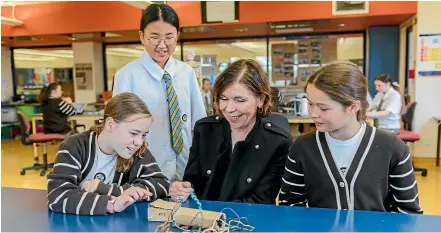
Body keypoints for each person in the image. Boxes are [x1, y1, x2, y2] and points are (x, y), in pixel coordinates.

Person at [279, 61, 422, 214]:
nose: (313, 113)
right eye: (310, 104)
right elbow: (290, 206)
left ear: (353, 107)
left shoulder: (393, 148)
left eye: (323, 107)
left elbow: (408, 213)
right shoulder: (302, 148)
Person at [169, 59, 293, 204]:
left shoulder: (278, 142)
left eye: (239, 100)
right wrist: (182, 189)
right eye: (224, 98)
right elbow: (192, 181)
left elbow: (260, 200)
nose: (229, 108)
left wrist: (217, 218)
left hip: (247, 222)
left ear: (261, 100)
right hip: (201, 219)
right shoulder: (204, 129)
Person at [112, 3, 206, 182]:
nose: (162, 45)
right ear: (141, 36)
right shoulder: (127, 76)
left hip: (187, 167)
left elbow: (199, 124)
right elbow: (120, 131)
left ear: (177, 36)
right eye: (154, 37)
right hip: (146, 170)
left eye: (169, 37)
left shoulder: (186, 73)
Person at [47, 93, 169, 215]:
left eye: (143, 135)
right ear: (110, 124)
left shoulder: (137, 150)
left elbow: (161, 183)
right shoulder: (74, 146)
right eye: (133, 133)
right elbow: (58, 195)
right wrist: (111, 204)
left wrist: (111, 190)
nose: (139, 141)